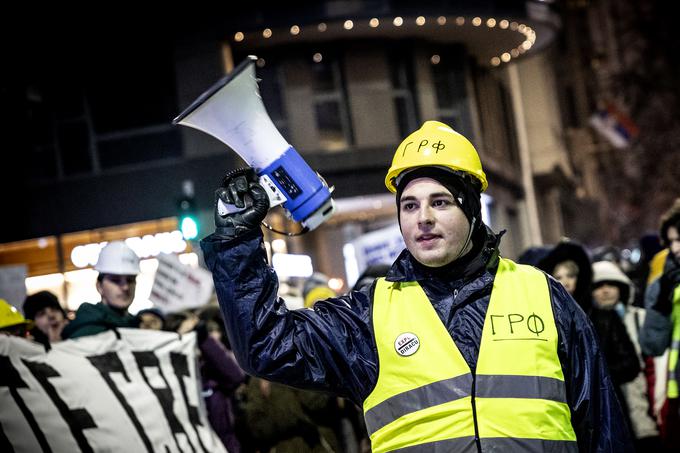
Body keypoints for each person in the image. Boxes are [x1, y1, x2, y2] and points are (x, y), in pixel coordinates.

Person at [201, 120, 633, 452]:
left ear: (470, 208)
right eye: (409, 205)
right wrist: (239, 242)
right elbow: (264, 346)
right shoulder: (368, 315)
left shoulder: (543, 294)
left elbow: (603, 426)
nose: (422, 217)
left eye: (439, 202)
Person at [591, 260, 659, 449]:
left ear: (621, 286)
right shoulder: (589, 325)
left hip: (647, 405)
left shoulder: (641, 318)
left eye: (611, 284)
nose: (605, 290)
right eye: (598, 286)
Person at [639, 198, 680, 450]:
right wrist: (662, 301)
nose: (675, 248)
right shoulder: (664, 282)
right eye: (672, 241)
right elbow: (652, 344)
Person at [62, 241, 141, 339]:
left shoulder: (139, 325)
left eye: (130, 280)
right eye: (115, 280)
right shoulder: (86, 332)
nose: (125, 287)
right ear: (99, 286)